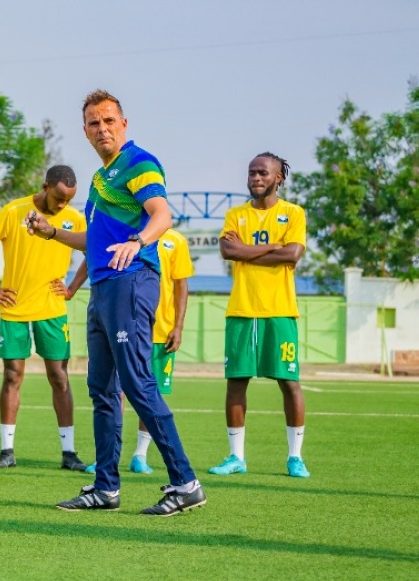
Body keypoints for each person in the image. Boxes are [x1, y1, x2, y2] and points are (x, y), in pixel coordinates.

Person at [28, 89, 204, 516]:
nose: (102, 128)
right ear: (85, 131)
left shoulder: (138, 162)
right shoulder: (99, 178)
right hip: (103, 289)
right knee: (102, 391)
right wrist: (51, 232)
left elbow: (162, 214)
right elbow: (93, 240)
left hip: (132, 281)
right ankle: (106, 488)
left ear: (124, 123)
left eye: (109, 120)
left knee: (139, 385)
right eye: (94, 122)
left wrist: (139, 241)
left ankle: (186, 483)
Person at [0, 166, 87, 471]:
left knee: (60, 378)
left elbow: (93, 247)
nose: (62, 205)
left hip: (52, 310)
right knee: (12, 377)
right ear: (45, 186)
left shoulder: (74, 218)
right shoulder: (14, 211)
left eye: (68, 200)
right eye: (59, 198)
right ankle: (7, 450)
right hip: (15, 308)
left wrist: (73, 286)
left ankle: (69, 452)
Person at [211, 153, 309, 478]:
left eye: (263, 173)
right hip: (241, 310)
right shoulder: (235, 215)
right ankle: (236, 457)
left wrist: (247, 251)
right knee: (236, 383)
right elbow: (228, 251)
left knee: (289, 382)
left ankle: (295, 457)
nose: (255, 177)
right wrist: (272, 249)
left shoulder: (293, 213)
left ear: (278, 178)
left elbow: (293, 253)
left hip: (280, 312)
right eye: (252, 172)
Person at [84, 226, 193, 474]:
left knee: (146, 391)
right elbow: (90, 248)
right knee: (114, 390)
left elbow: (181, 285)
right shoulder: (123, 234)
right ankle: (108, 463)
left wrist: (178, 326)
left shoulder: (175, 241)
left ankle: (141, 455)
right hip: (124, 322)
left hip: (161, 330)